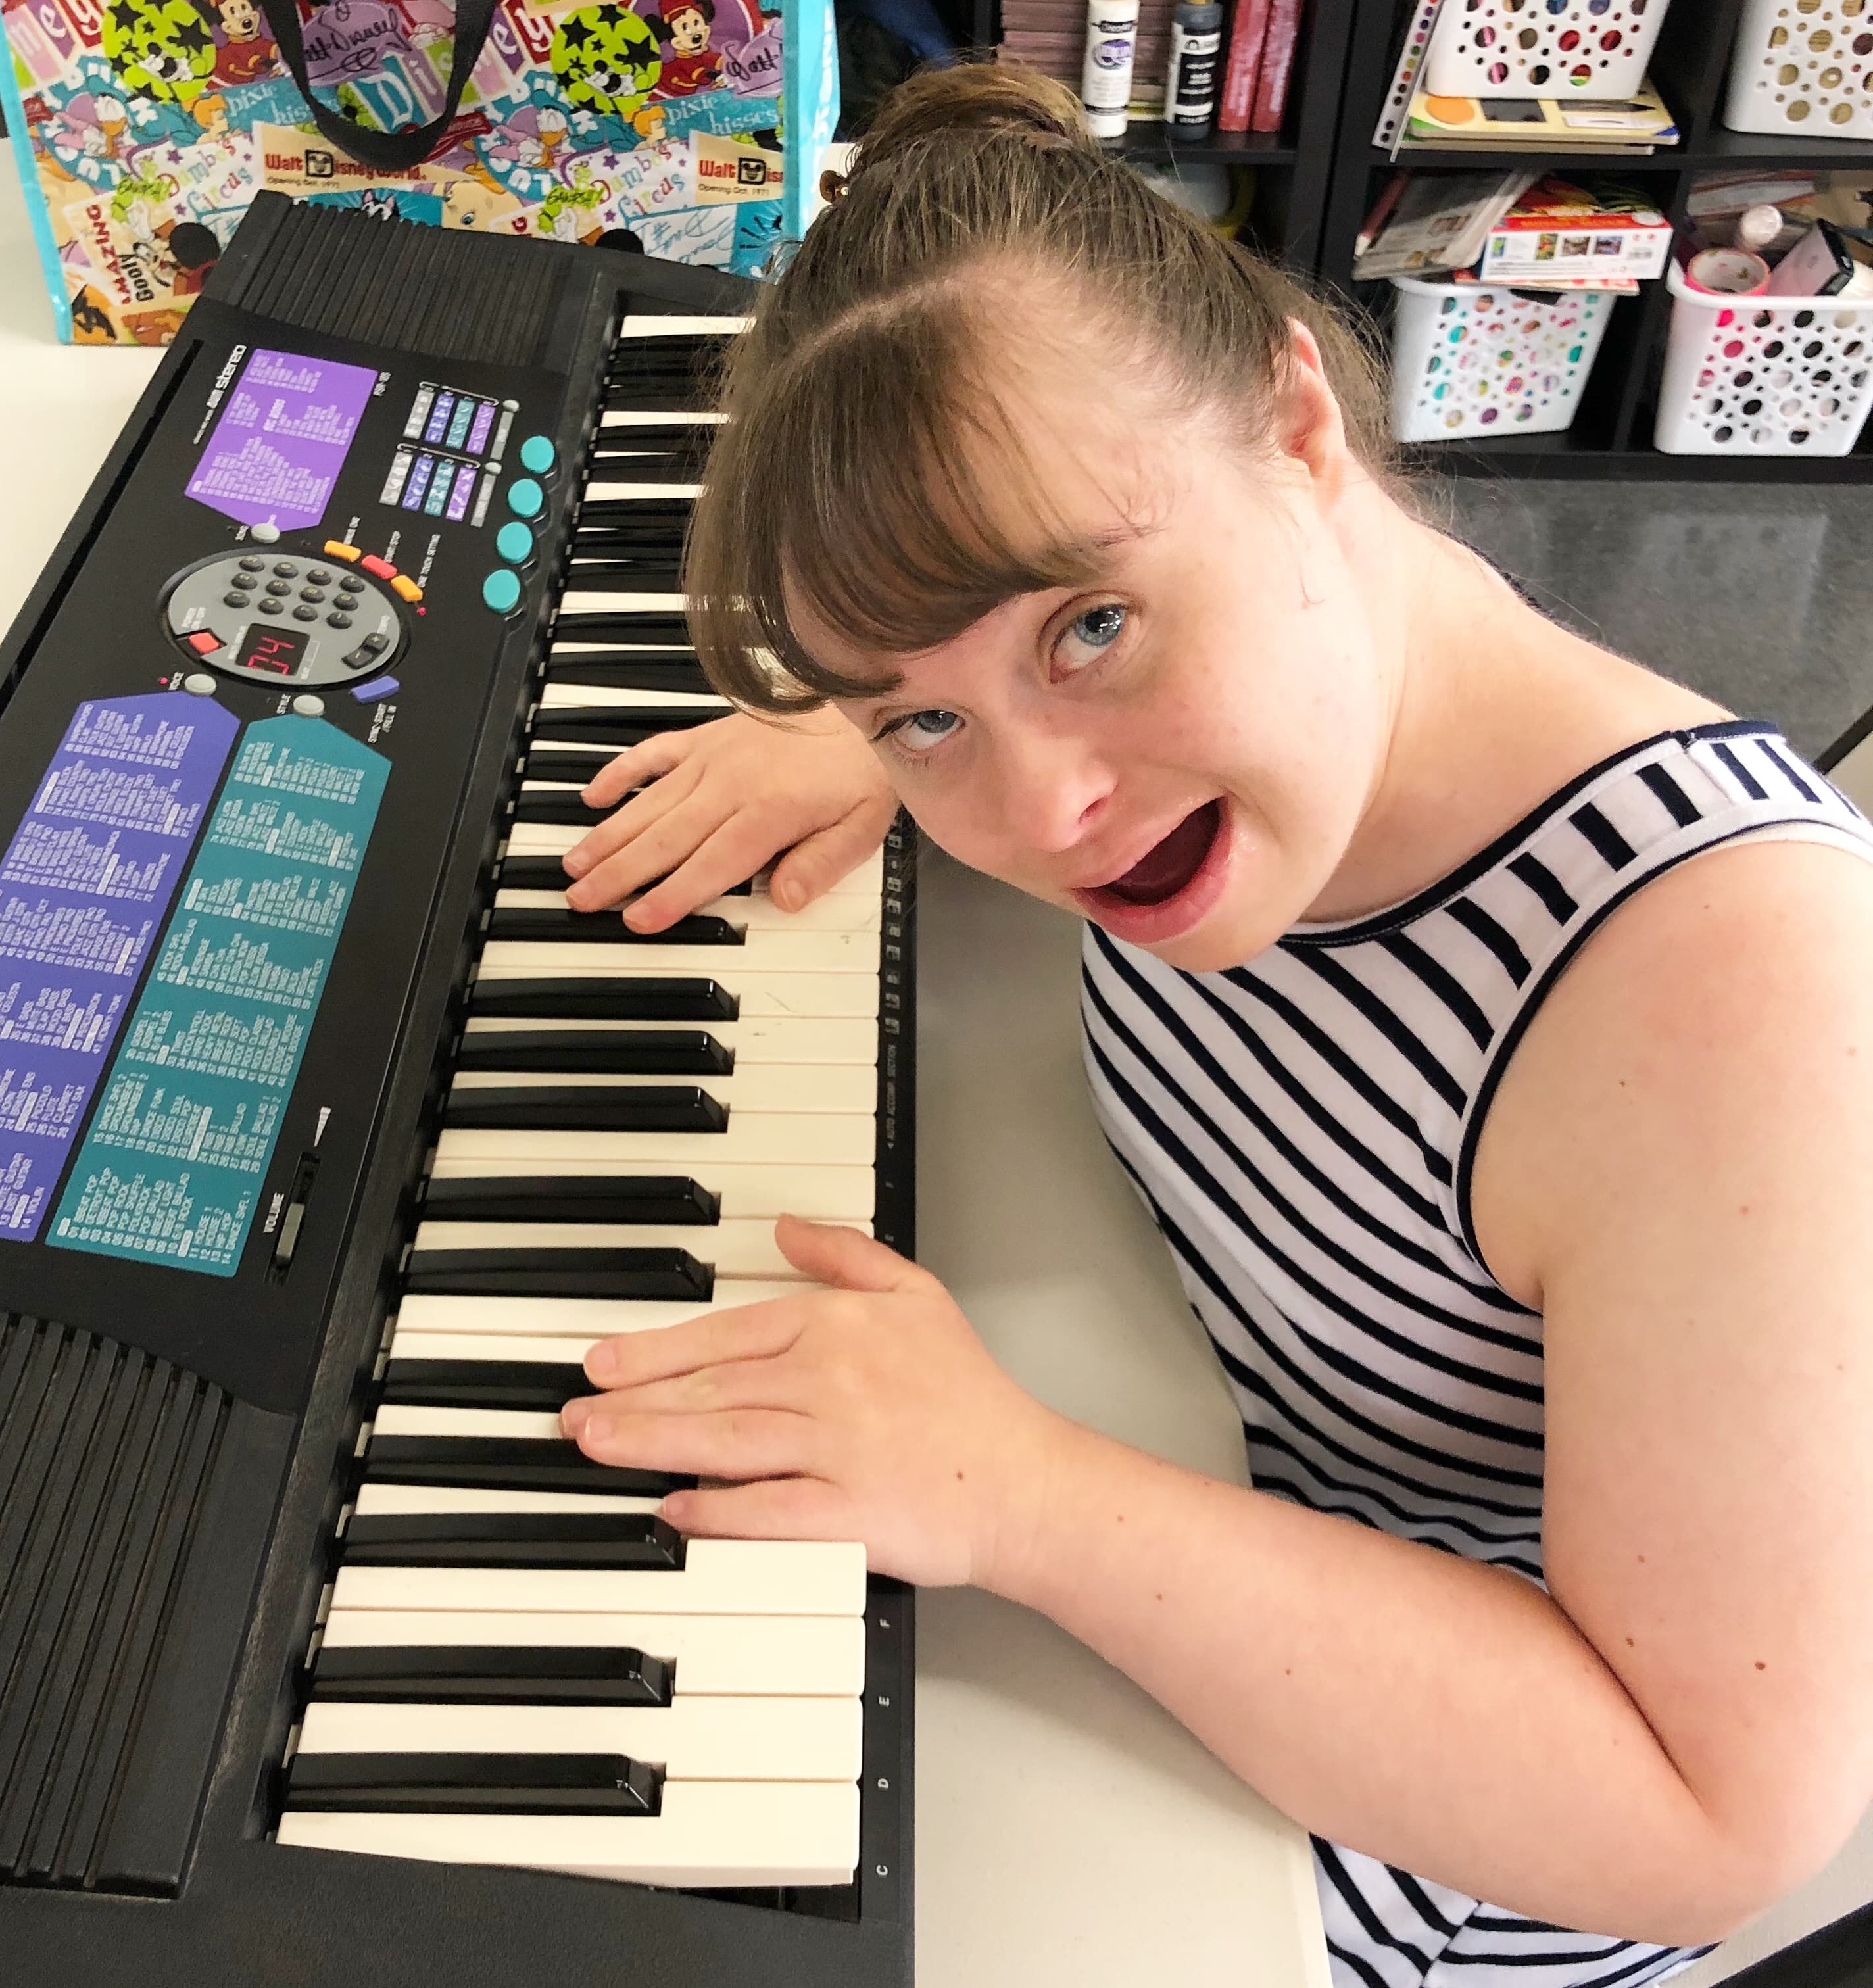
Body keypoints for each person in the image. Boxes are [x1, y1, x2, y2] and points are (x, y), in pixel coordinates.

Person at [550, 64, 1873, 1988]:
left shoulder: (1744, 985)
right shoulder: (1301, 631)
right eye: (934, 719)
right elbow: (1025, 643)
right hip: (1175, 1467)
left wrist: (1022, 1496)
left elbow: (1699, 1828)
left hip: (1400, 1841)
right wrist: (897, 710)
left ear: (1296, 422)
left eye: (1091, 628)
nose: (1044, 817)